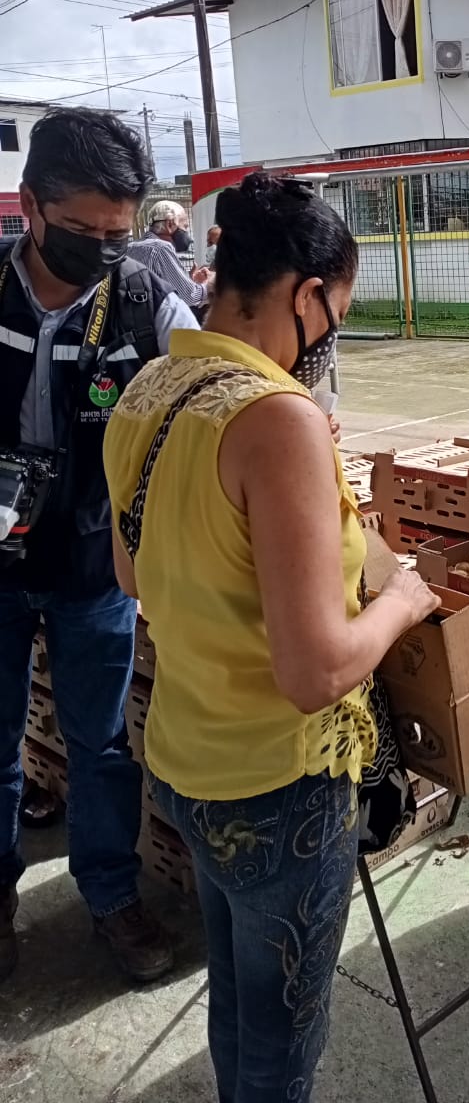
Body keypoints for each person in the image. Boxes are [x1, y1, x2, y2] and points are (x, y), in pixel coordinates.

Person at [103, 173, 440, 1099]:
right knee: (285, 1034)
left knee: (240, 999)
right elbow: (316, 671)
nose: (332, 336)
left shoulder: (150, 386)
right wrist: (402, 601)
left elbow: (132, 575)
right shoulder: (278, 418)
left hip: (184, 758)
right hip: (277, 787)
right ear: (306, 295)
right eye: (338, 313)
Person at [0, 108, 199, 985]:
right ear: (31, 207)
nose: (103, 249)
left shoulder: (147, 303)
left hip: (93, 572)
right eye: (84, 231)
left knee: (102, 746)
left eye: (119, 233)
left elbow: (216, 374)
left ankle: (112, 896)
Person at [128, 200, 214, 314]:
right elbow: (190, 296)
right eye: (185, 227)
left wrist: (188, 280)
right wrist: (211, 282)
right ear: (170, 224)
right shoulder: (160, 248)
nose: (187, 234)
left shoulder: (130, 247)